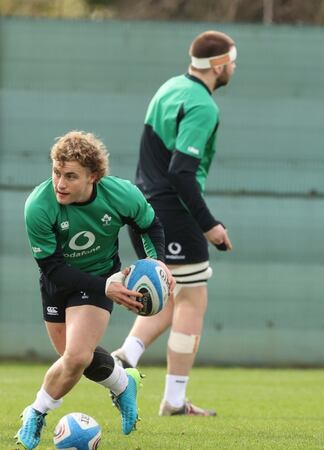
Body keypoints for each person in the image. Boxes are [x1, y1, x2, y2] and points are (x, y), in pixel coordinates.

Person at [17, 131, 173, 449]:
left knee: (75, 357)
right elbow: (53, 268)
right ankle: (122, 382)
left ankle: (37, 411)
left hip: (102, 278)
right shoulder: (38, 205)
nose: (60, 183)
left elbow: (150, 225)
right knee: (74, 357)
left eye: (71, 176)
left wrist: (158, 264)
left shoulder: (120, 195)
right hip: (58, 282)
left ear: (94, 176)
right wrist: (106, 286)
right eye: (56, 173)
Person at [111, 30, 236, 417]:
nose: (233, 68)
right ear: (218, 66)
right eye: (231, 61)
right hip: (172, 209)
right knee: (193, 299)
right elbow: (181, 172)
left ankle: (124, 357)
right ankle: (174, 400)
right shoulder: (202, 105)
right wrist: (209, 223)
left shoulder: (170, 87)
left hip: (143, 206)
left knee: (170, 293)